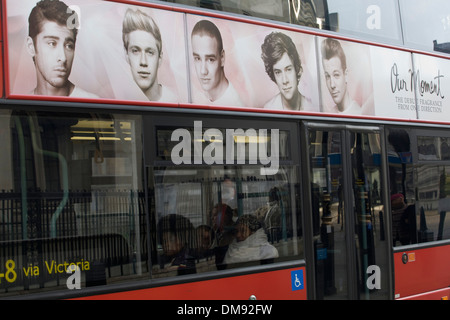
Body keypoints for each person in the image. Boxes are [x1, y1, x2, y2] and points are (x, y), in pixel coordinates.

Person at [26, 0, 98, 98]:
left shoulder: (91, 102)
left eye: (69, 46)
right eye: (52, 43)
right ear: (31, 46)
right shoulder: (21, 106)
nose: (63, 58)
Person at [122, 8, 177, 102]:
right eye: (135, 51)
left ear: (160, 58)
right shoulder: (121, 98)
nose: (143, 62)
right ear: (127, 56)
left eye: (150, 52)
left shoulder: (174, 100)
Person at [190, 19, 244, 107]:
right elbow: (197, 121)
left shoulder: (234, 105)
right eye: (198, 58)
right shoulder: (203, 98)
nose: (203, 71)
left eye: (210, 59)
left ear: (222, 58)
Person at [261, 32, 313, 111]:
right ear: (273, 76)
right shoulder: (269, 108)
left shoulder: (311, 108)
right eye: (278, 72)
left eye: (288, 70)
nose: (285, 80)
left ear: (297, 70)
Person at [320, 38, 361, 114]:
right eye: (328, 76)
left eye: (336, 75)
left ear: (345, 75)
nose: (332, 85)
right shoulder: (329, 114)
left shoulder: (359, 113)